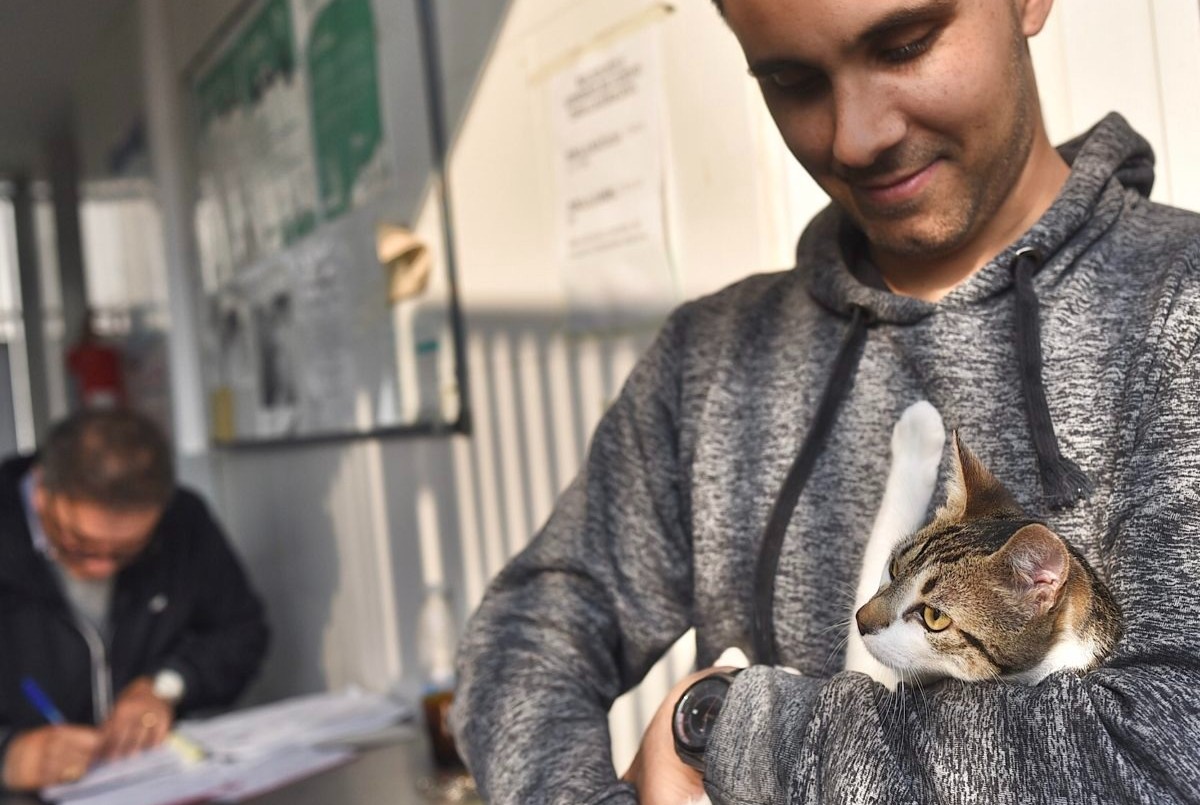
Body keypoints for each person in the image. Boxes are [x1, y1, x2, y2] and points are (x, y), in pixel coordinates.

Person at [452, 0, 1200, 803]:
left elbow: (1169, 748)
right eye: (792, 80)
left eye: (904, 44)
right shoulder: (707, 356)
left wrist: (723, 726)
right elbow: (528, 631)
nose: (855, 136)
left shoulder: (1179, 307)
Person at [0, 408, 269, 792]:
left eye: (127, 551)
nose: (102, 568)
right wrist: (9, 758)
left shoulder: (184, 521)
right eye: (80, 544)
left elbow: (241, 632)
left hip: (151, 783)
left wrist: (167, 686)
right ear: (42, 490)